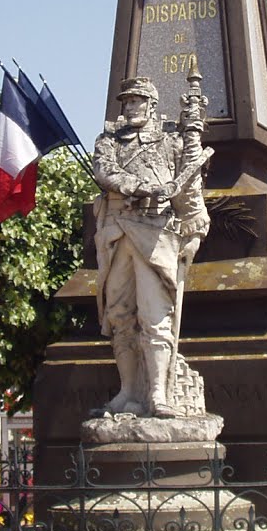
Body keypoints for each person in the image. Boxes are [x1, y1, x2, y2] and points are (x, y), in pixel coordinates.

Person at [92, 76, 210, 418]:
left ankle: (158, 393)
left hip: (156, 235)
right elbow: (105, 173)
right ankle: (128, 391)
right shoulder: (108, 140)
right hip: (116, 235)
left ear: (151, 104)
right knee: (118, 314)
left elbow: (189, 190)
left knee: (155, 316)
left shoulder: (172, 141)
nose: (129, 107)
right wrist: (143, 187)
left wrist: (195, 232)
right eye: (126, 101)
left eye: (136, 101)